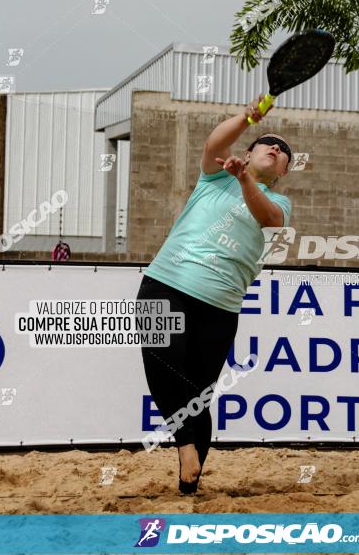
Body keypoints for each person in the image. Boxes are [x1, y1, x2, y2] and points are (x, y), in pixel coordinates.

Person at [136, 95, 292, 494]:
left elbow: (266, 219)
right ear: (247, 151)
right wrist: (248, 116)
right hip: (166, 282)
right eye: (268, 143)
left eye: (284, 152)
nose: (276, 148)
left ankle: (189, 489)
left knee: (199, 394)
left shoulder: (279, 202)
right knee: (163, 361)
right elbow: (211, 145)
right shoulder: (213, 176)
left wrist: (245, 180)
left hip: (221, 303)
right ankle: (186, 446)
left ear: (285, 173)